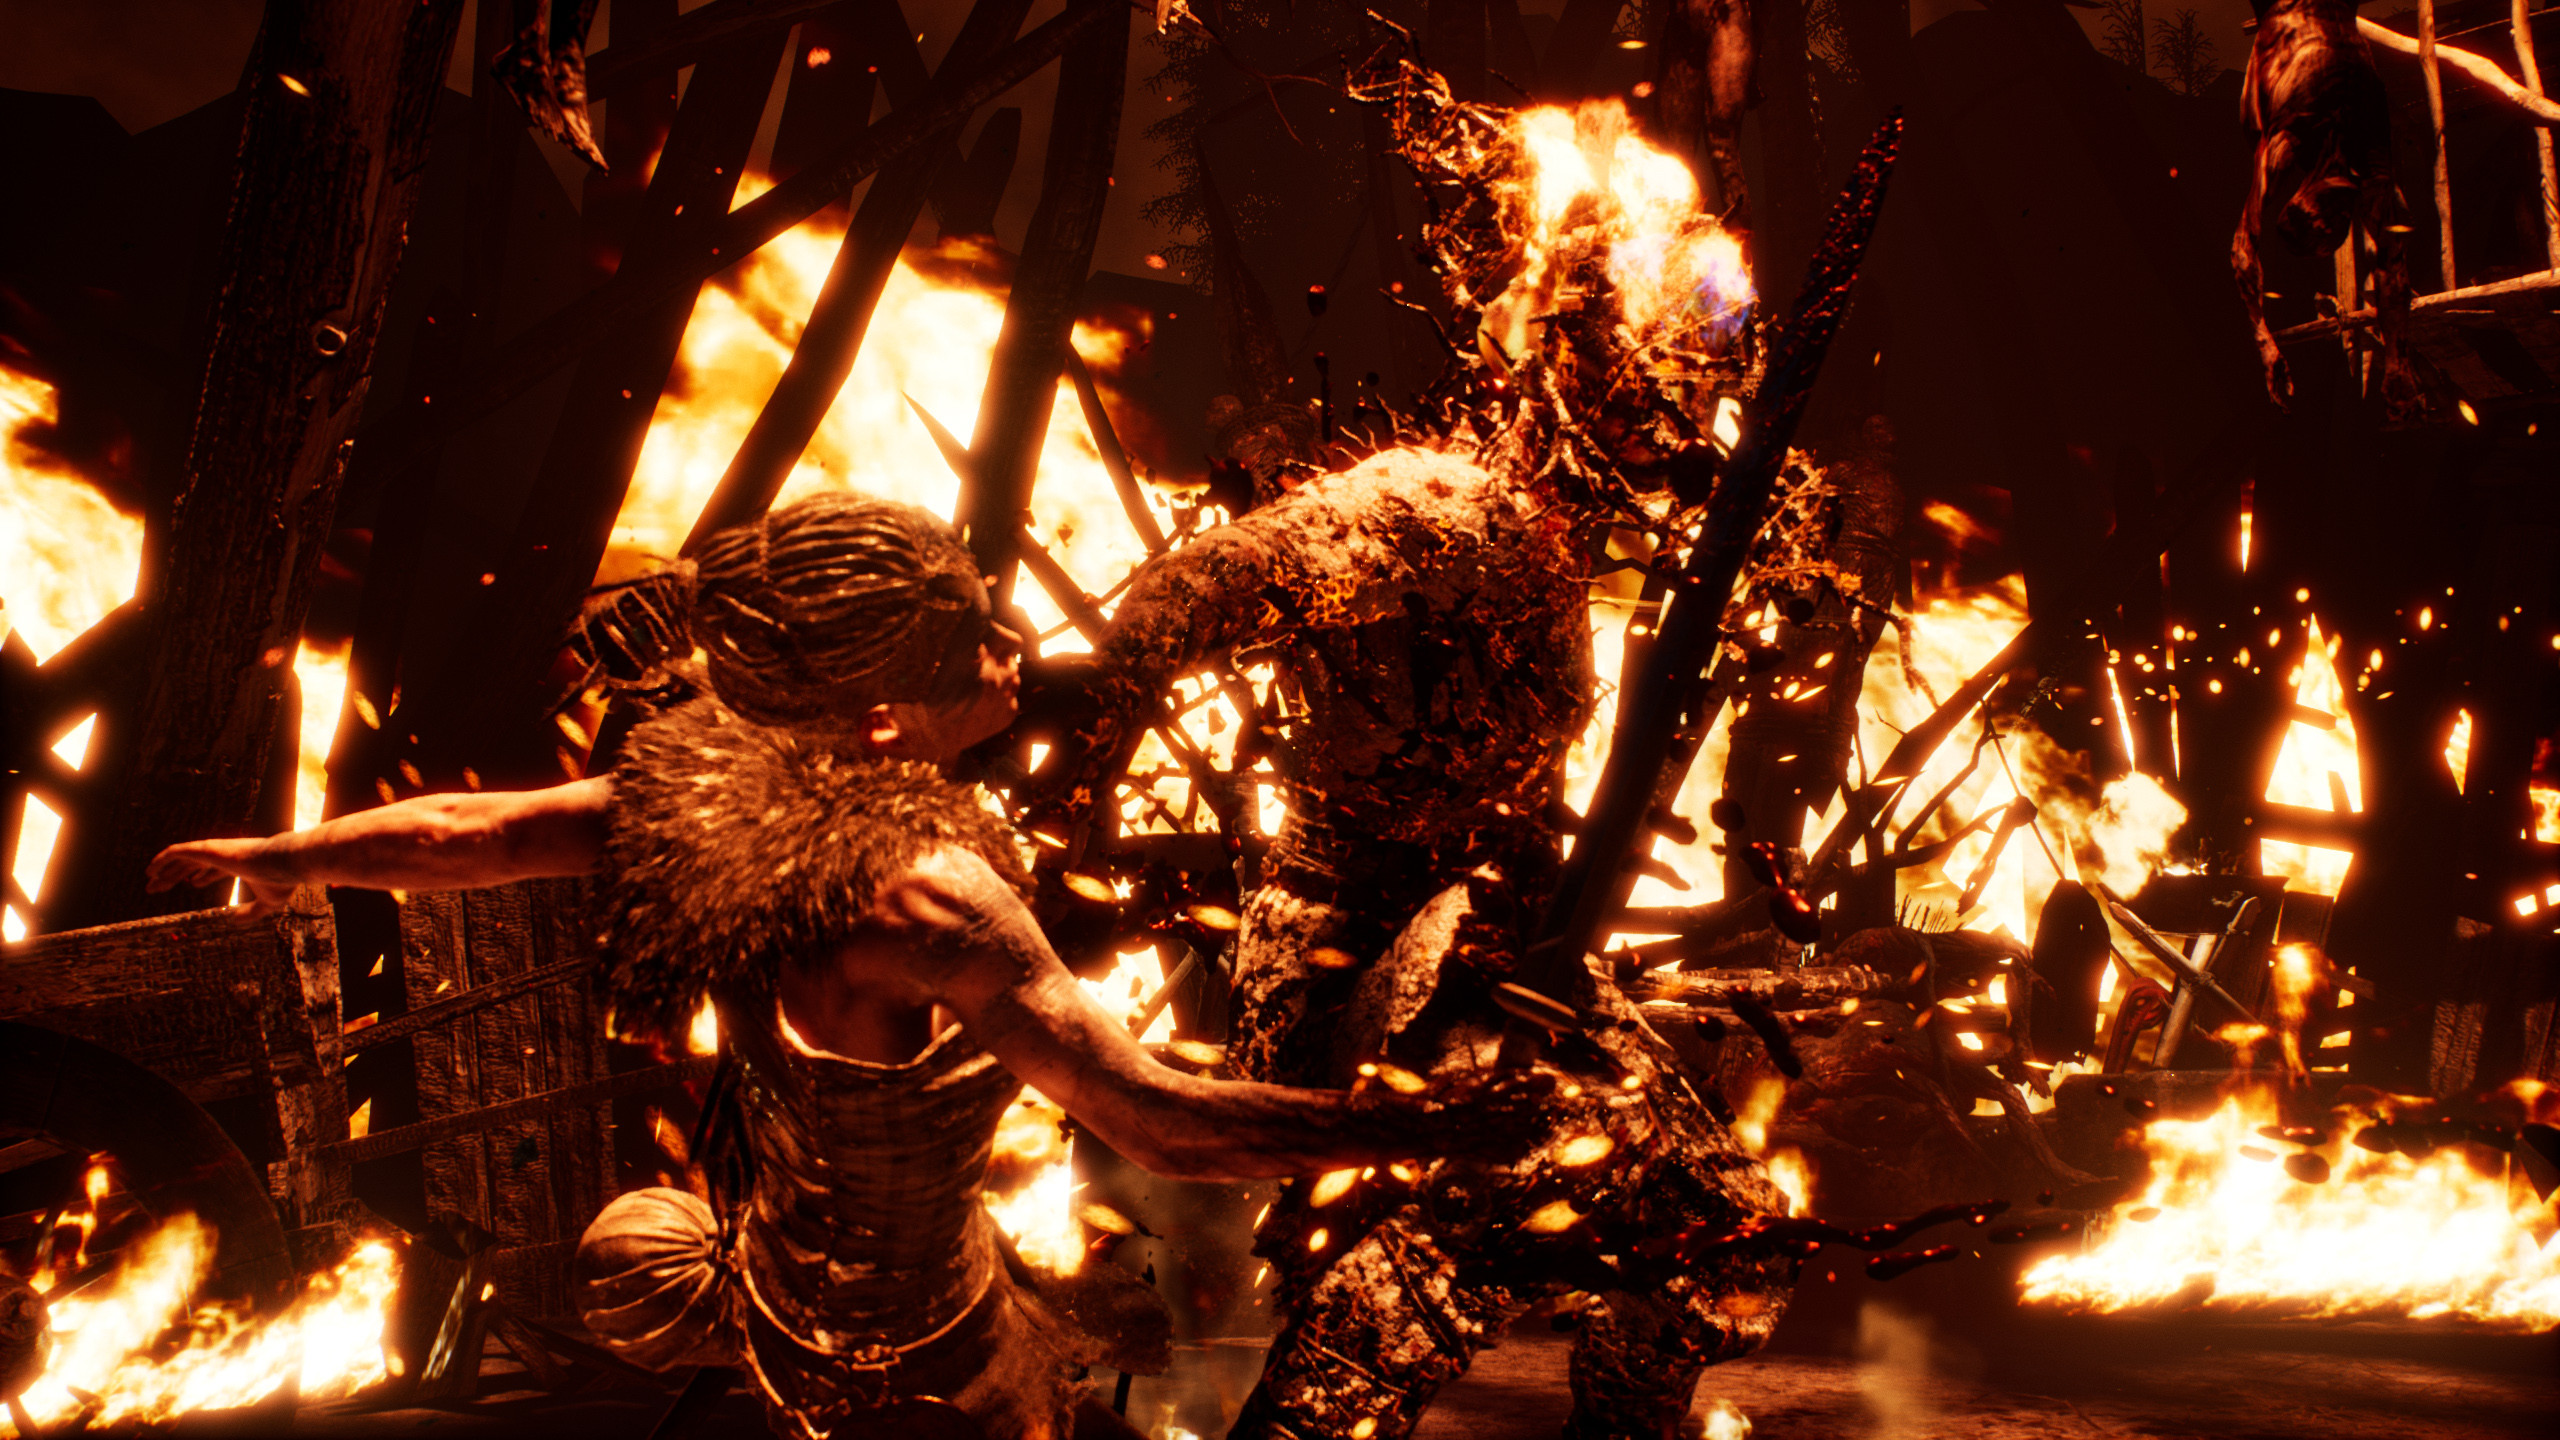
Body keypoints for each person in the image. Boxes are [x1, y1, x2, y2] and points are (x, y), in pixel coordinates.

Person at [151, 492, 1544, 1440]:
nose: (1011, 645)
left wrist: (285, 854)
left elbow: (478, 835)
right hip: (925, 1361)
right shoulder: (935, 907)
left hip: (780, 1287)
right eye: (971, 643)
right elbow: (1160, 1123)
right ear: (881, 719)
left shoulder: (703, 797)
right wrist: (1420, 1128)